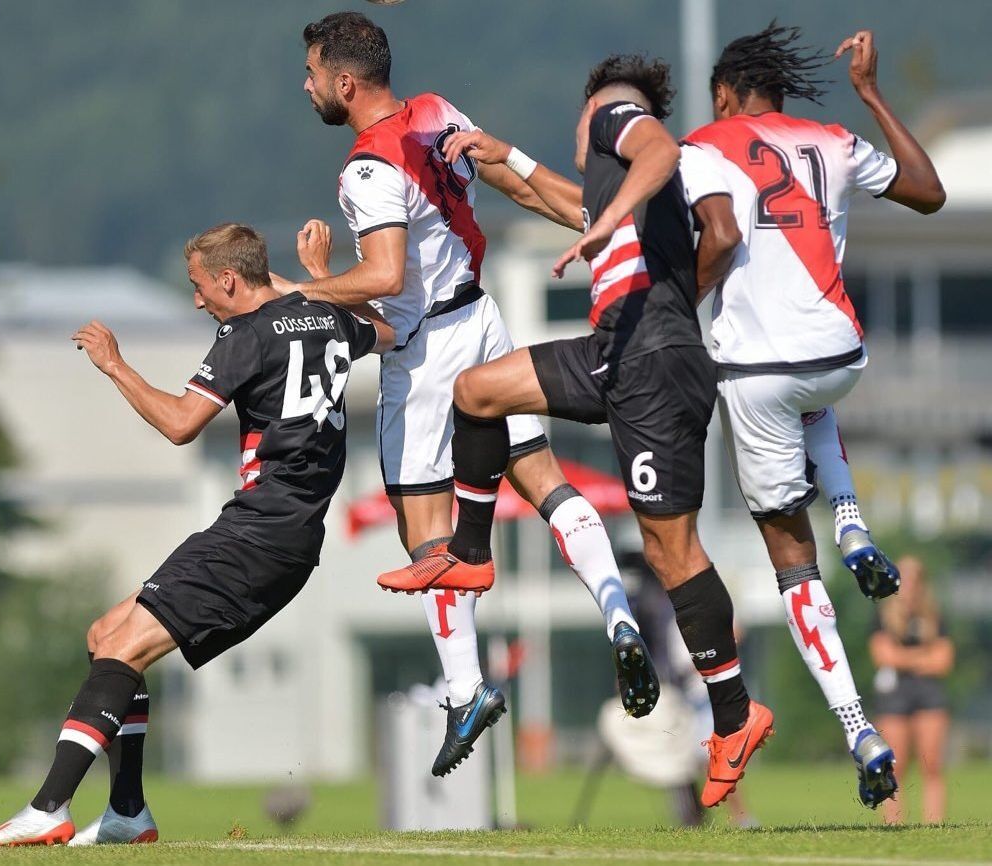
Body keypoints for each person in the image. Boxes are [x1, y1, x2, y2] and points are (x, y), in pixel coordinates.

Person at [392, 54, 773, 808]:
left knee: (672, 551)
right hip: (617, 354)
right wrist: (512, 160)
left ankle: (735, 714)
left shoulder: (615, 117)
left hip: (652, 365)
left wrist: (603, 215)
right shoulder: (620, 181)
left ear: (591, 108)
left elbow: (654, 153)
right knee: (478, 392)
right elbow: (578, 204)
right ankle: (470, 553)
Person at [283, 12, 658, 777]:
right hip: (484, 318)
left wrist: (304, 288)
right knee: (541, 476)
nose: (309, 86)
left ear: (345, 84)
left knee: (424, 529)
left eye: (314, 75)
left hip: (427, 357)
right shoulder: (437, 112)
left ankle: (466, 689)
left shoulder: (364, 169)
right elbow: (518, 184)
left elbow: (387, 280)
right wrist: (597, 219)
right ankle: (620, 613)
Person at [0, 224, 394, 848]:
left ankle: (48, 808)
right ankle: (127, 812)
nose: (197, 301)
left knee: (121, 651)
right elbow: (386, 330)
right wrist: (319, 281)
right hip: (279, 533)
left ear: (227, 280)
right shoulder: (326, 317)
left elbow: (179, 424)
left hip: (258, 534)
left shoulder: (243, 337)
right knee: (106, 635)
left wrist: (114, 365)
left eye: (199, 286)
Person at [679, 22, 945, 808]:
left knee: (793, 564)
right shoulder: (832, 139)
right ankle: (854, 523)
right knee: (814, 399)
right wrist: (869, 93)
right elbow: (928, 192)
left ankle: (859, 725)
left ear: (725, 94)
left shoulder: (702, 144)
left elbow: (718, 240)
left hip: (758, 373)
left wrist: (677, 306)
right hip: (839, 355)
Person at [870, 556, 954, 824]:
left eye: (914, 579)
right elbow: (883, 655)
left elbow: (943, 661)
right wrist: (923, 657)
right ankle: (894, 823)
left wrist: (904, 657)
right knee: (894, 765)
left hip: (929, 693)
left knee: (932, 764)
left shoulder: (935, 617)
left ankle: (934, 822)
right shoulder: (882, 617)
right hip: (895, 694)